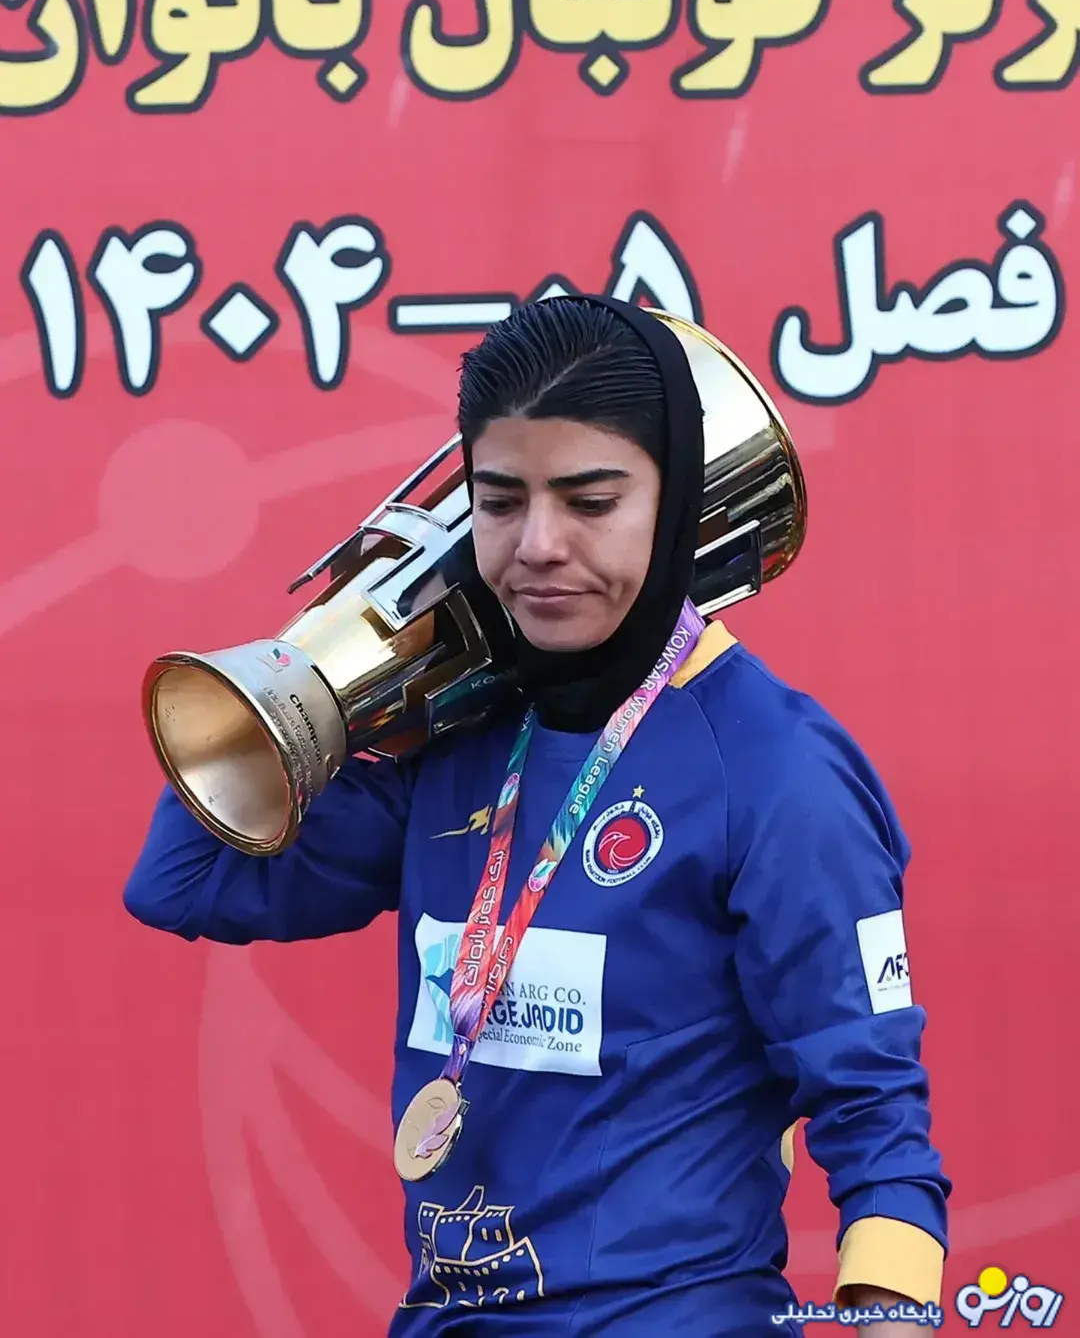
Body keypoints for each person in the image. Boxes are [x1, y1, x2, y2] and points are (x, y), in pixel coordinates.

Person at [123, 296, 951, 1336]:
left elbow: (877, 1117)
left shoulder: (777, 769)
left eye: (591, 501)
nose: (540, 545)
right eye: (500, 502)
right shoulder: (457, 741)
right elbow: (183, 883)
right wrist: (327, 660)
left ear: (676, 502)